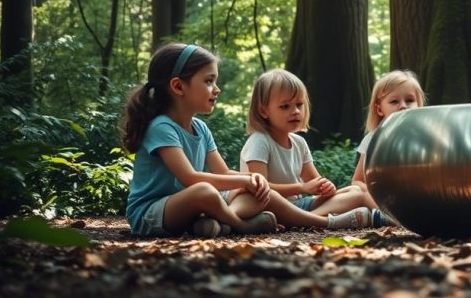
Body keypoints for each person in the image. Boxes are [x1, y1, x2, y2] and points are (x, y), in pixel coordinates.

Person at [122, 43, 277, 238]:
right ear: (178, 86)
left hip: (191, 205)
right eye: (209, 81)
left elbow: (225, 172)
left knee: (256, 194)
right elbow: (191, 178)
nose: (217, 89)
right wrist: (244, 181)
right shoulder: (161, 127)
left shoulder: (201, 128)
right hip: (150, 213)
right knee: (204, 191)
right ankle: (240, 225)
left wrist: (252, 180)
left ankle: (214, 222)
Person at [240, 69, 381, 229]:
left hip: (299, 205)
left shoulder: (299, 142)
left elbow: (315, 181)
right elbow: (260, 187)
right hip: (269, 206)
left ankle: (303, 220)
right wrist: (301, 187)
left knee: (356, 192)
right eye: (285, 106)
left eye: (299, 105)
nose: (295, 111)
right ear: (264, 110)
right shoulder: (259, 141)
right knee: (269, 196)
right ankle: (311, 220)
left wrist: (326, 187)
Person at [349, 70, 425, 206]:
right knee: (353, 193)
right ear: (379, 109)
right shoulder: (373, 139)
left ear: (419, 105)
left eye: (410, 100)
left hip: (417, 198)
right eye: (394, 101)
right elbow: (357, 181)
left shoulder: (425, 138)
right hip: (383, 201)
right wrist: (373, 193)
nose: (403, 106)